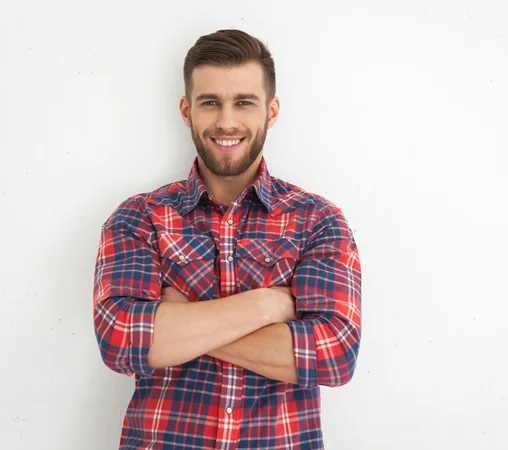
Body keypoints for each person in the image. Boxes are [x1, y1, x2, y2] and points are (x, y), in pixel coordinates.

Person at [93, 29, 362, 450]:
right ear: (187, 110)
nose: (226, 121)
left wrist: (180, 323)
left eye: (244, 102)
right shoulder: (140, 217)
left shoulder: (317, 221)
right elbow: (122, 340)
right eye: (210, 102)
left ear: (271, 111)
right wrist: (268, 305)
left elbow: (334, 355)